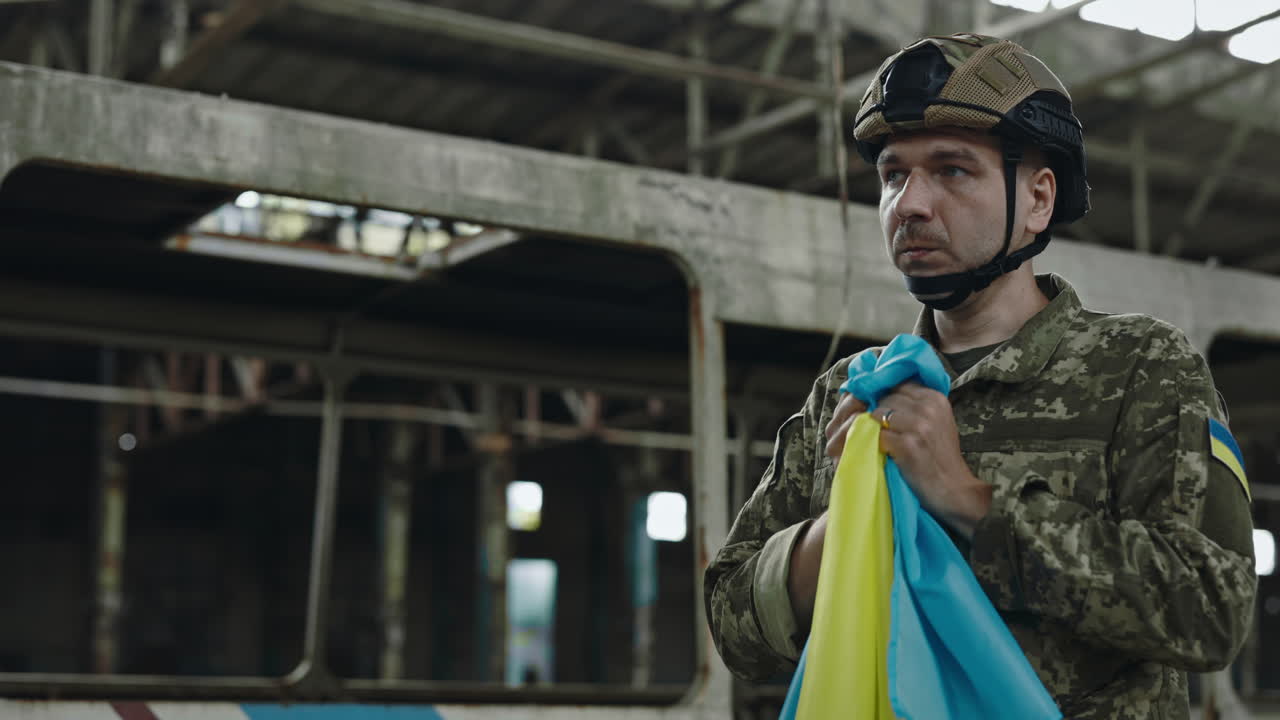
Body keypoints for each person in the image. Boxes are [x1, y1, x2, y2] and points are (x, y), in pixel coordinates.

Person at [704, 33, 1256, 718]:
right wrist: (844, 534)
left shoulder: (1140, 368)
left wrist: (970, 503)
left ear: (1037, 199)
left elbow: (1213, 606)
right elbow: (731, 622)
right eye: (892, 175)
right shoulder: (851, 393)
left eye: (952, 170)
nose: (909, 204)